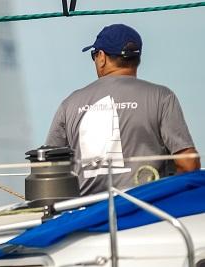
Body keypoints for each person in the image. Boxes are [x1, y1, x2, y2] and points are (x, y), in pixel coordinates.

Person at [45, 24, 200, 195]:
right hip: (147, 211)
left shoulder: (70, 103)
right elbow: (188, 164)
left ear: (102, 57)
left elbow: (48, 169)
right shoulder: (162, 96)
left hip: (89, 216)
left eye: (94, 55)